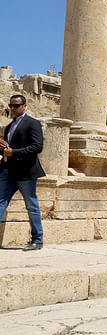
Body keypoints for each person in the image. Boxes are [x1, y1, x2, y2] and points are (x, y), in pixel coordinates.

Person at [0, 95, 46, 251]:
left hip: (25, 172)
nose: (13, 108)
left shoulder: (33, 124)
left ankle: (37, 240)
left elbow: (37, 147)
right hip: (8, 171)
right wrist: (3, 149)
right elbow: (8, 149)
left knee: (31, 206)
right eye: (11, 105)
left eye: (16, 105)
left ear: (24, 106)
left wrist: (14, 152)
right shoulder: (9, 127)